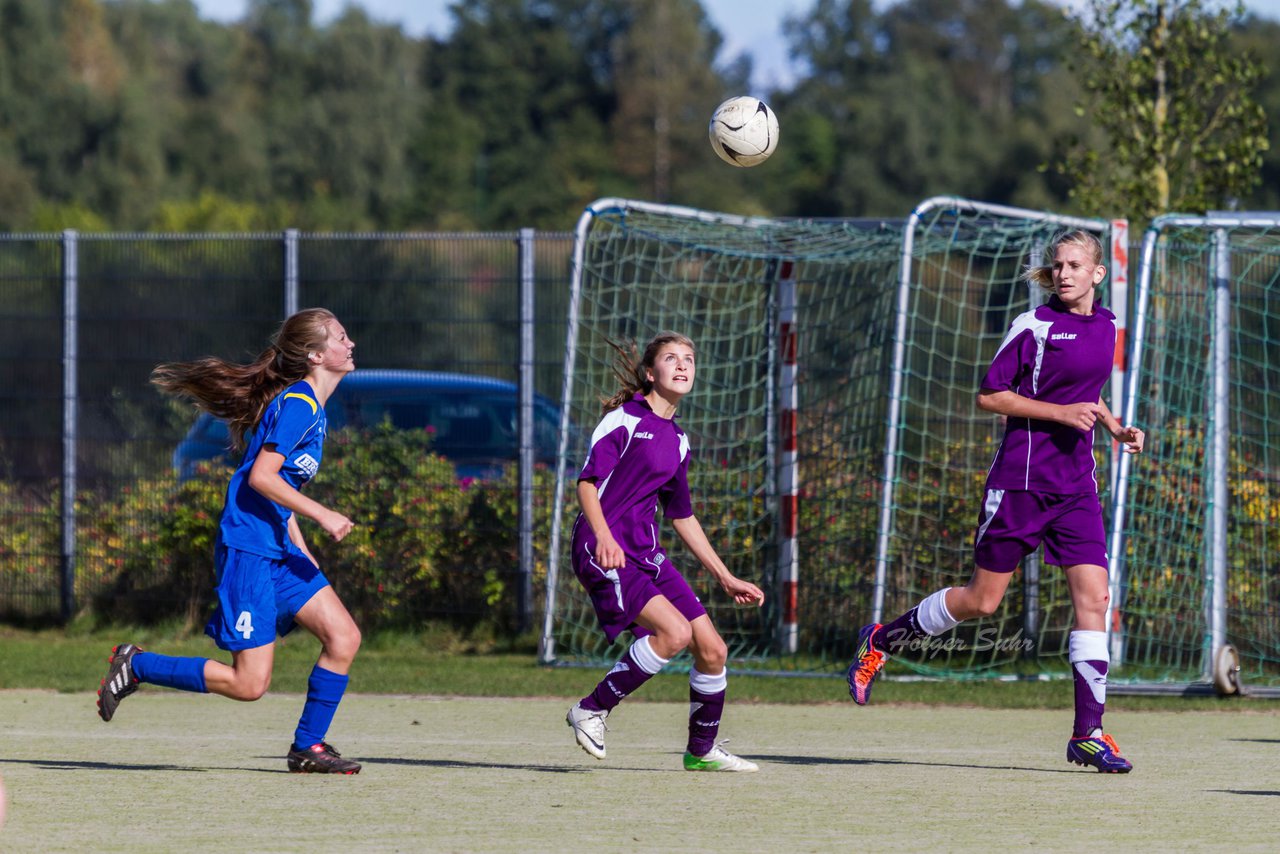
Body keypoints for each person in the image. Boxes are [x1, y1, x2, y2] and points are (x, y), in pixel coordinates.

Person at [846, 230, 1145, 773]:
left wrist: (1115, 426)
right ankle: (881, 639)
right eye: (1058, 265)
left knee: (1095, 601)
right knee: (983, 602)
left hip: (1076, 486)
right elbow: (989, 394)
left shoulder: (1106, 325)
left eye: (1076, 265)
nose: (1064, 273)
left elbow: (1085, 389)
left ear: (1099, 274)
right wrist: (1058, 414)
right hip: (1021, 483)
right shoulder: (1034, 326)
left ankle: (1088, 733)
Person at [96, 308, 364, 775]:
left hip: (278, 547)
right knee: (248, 684)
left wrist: (300, 545)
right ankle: (136, 665)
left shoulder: (310, 406)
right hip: (250, 550)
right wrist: (323, 515)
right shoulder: (300, 405)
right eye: (341, 338)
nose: (351, 344)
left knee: (343, 637)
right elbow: (261, 477)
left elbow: (280, 489)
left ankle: (308, 748)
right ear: (317, 355)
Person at [565, 332, 766, 772]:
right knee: (673, 634)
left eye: (689, 359)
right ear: (651, 373)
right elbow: (586, 483)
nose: (682, 365)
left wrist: (725, 576)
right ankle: (591, 709)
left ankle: (701, 750)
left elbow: (682, 516)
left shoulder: (678, 441)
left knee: (712, 649)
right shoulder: (624, 419)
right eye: (671, 358)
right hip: (602, 547)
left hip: (644, 553)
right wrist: (603, 536)